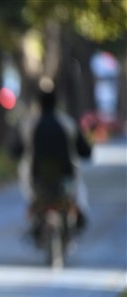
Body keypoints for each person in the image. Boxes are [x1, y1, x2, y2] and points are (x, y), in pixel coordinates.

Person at [11, 87, 92, 235]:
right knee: (78, 195)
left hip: (35, 177)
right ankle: (79, 217)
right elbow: (85, 151)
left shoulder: (28, 125)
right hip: (66, 175)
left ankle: (35, 221)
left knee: (32, 198)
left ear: (39, 104)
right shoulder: (68, 123)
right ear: (56, 103)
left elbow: (15, 150)